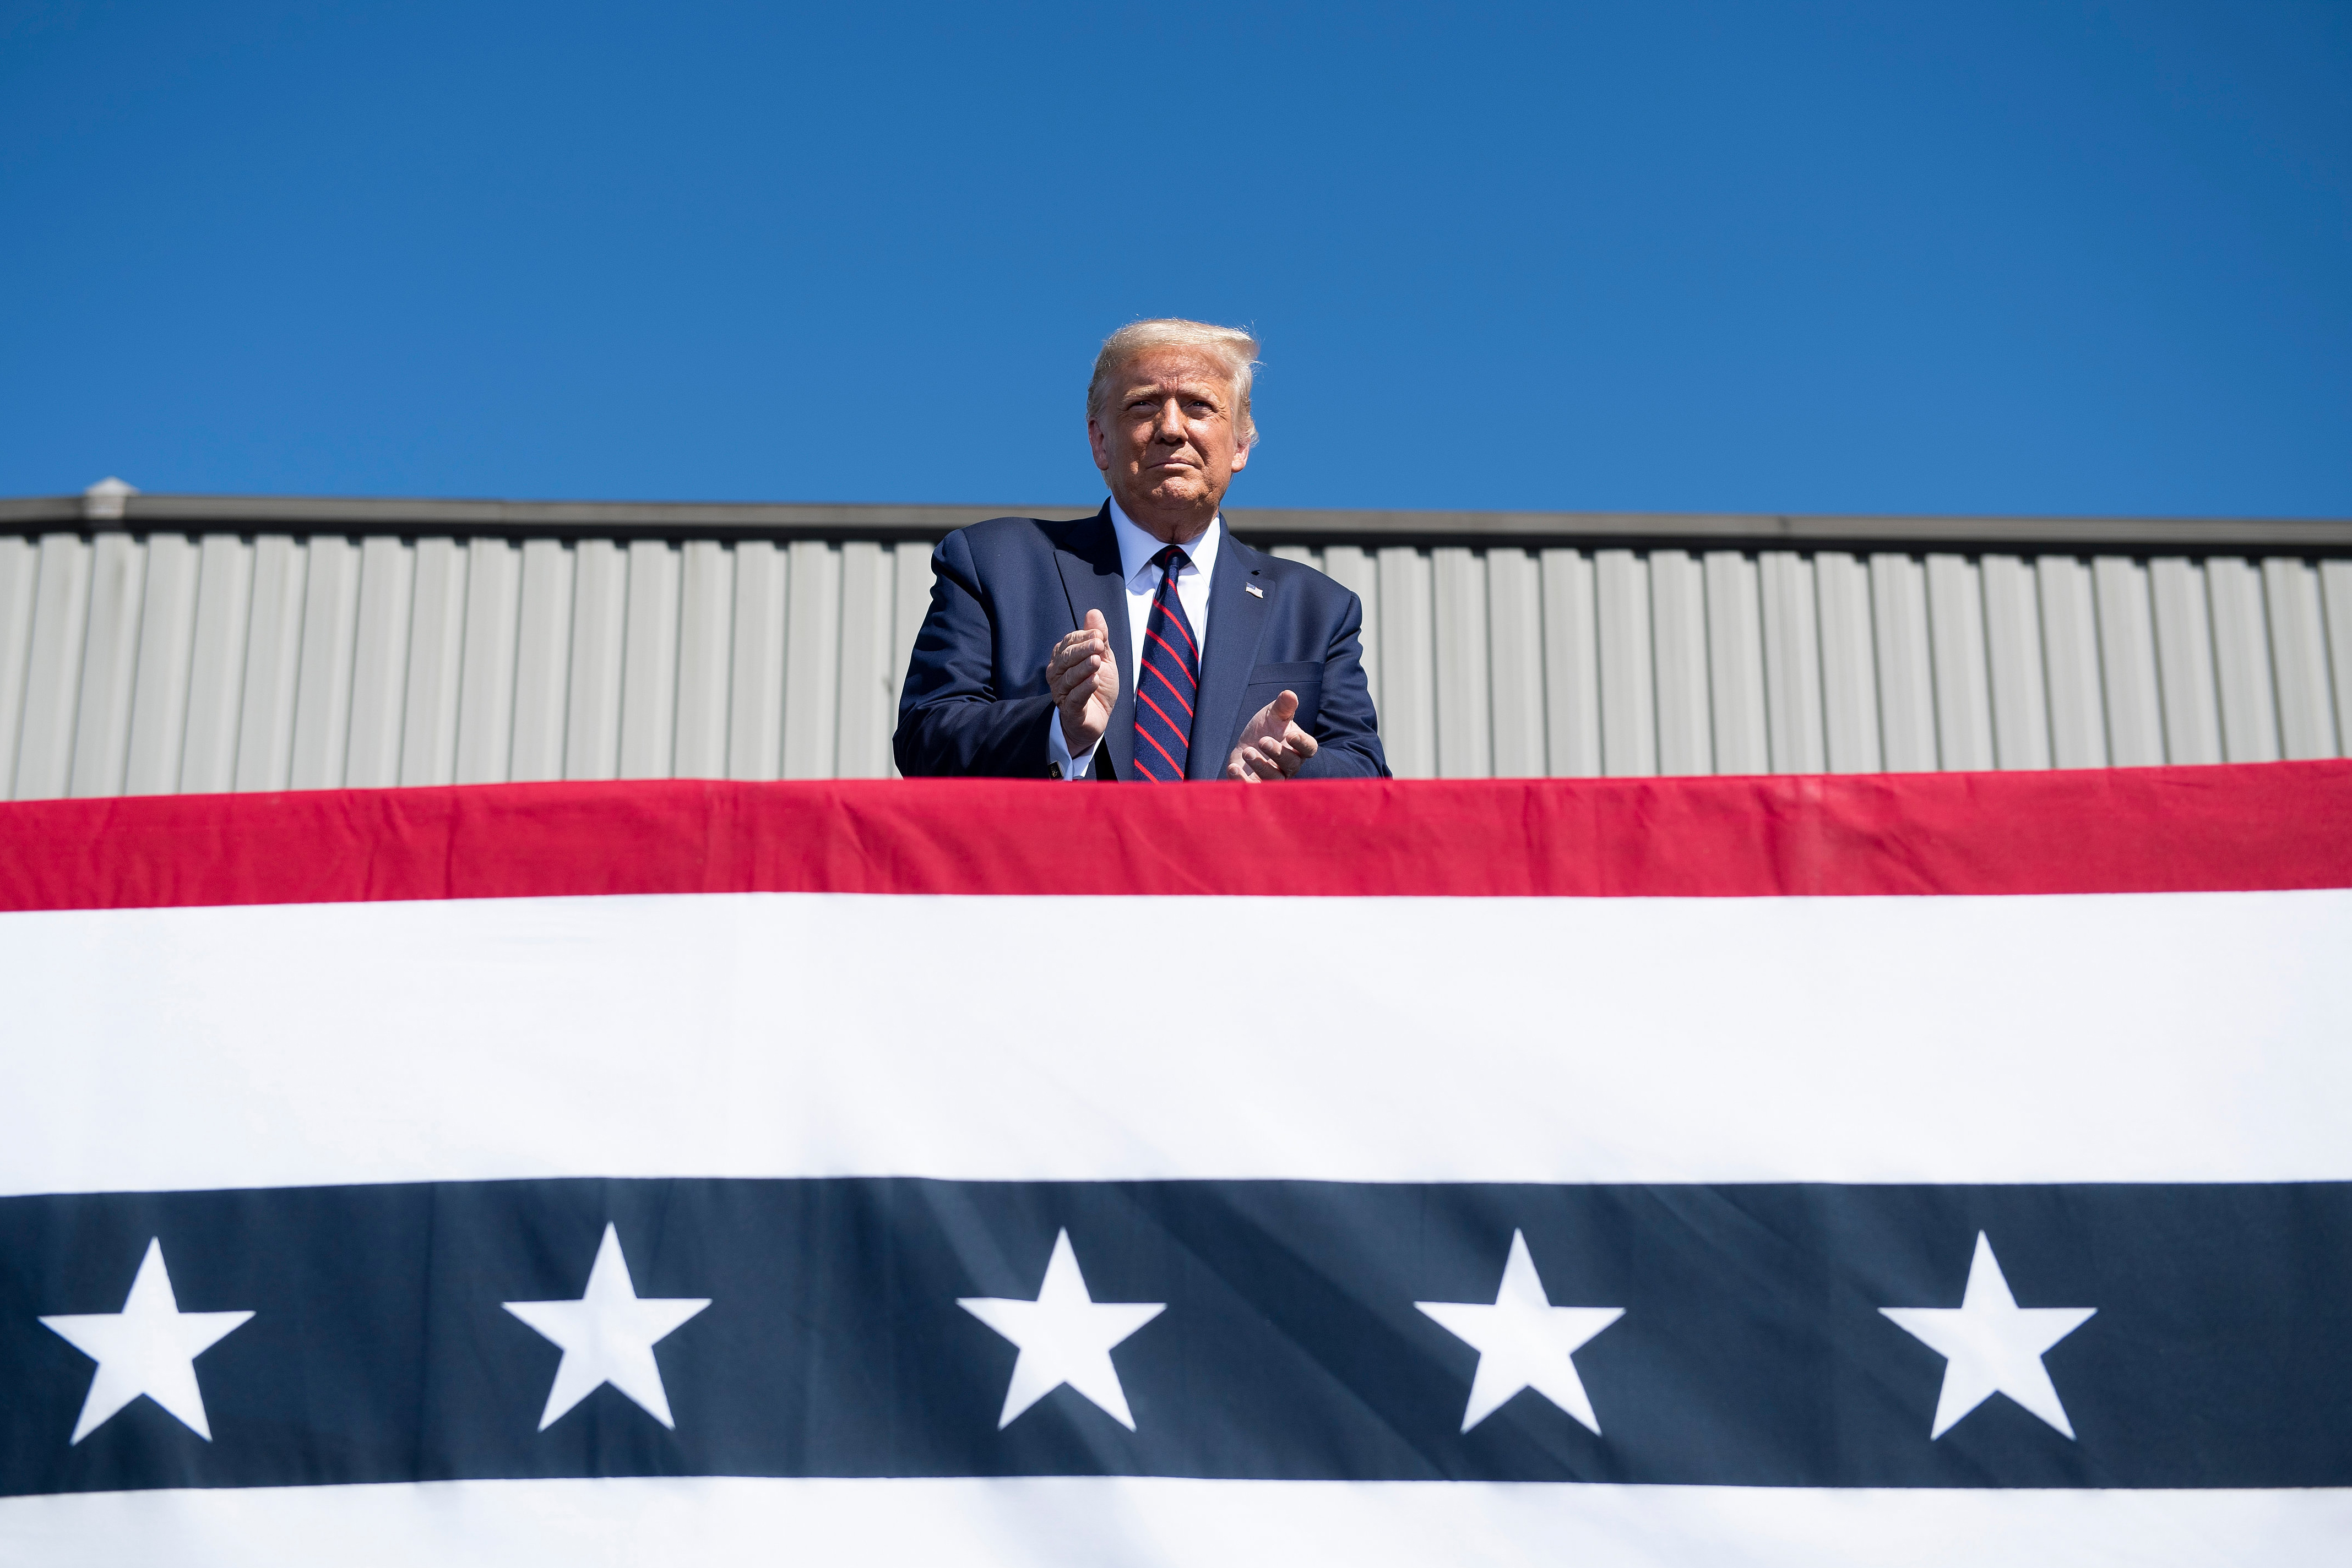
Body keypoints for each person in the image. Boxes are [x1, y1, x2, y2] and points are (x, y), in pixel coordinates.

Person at [893, 320, 1388, 782]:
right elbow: (924, 739)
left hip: (1231, 872)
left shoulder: (1316, 609)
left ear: (1240, 444)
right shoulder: (994, 565)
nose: (1171, 428)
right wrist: (1059, 729)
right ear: (1100, 441)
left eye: (1198, 405)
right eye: (1143, 406)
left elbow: (1368, 777)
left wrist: (1293, 763)